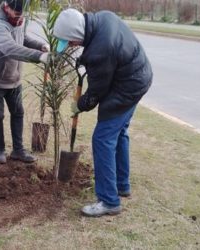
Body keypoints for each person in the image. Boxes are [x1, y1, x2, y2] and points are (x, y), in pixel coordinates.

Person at [53, 9, 153, 217]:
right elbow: (101, 55)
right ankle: (121, 184)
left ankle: (109, 200)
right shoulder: (101, 19)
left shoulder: (101, 50)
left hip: (126, 87)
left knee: (102, 138)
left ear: (77, 33)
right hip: (139, 76)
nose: (72, 47)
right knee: (119, 133)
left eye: (71, 42)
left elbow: (97, 92)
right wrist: (84, 61)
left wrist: (80, 105)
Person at [0, 0, 49, 164]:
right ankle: (0, 150)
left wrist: (41, 46)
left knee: (18, 112)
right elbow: (10, 48)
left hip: (14, 78)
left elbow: (22, 38)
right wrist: (39, 56)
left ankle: (18, 150)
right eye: (17, 14)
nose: (20, 18)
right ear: (6, 7)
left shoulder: (18, 21)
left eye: (22, 14)